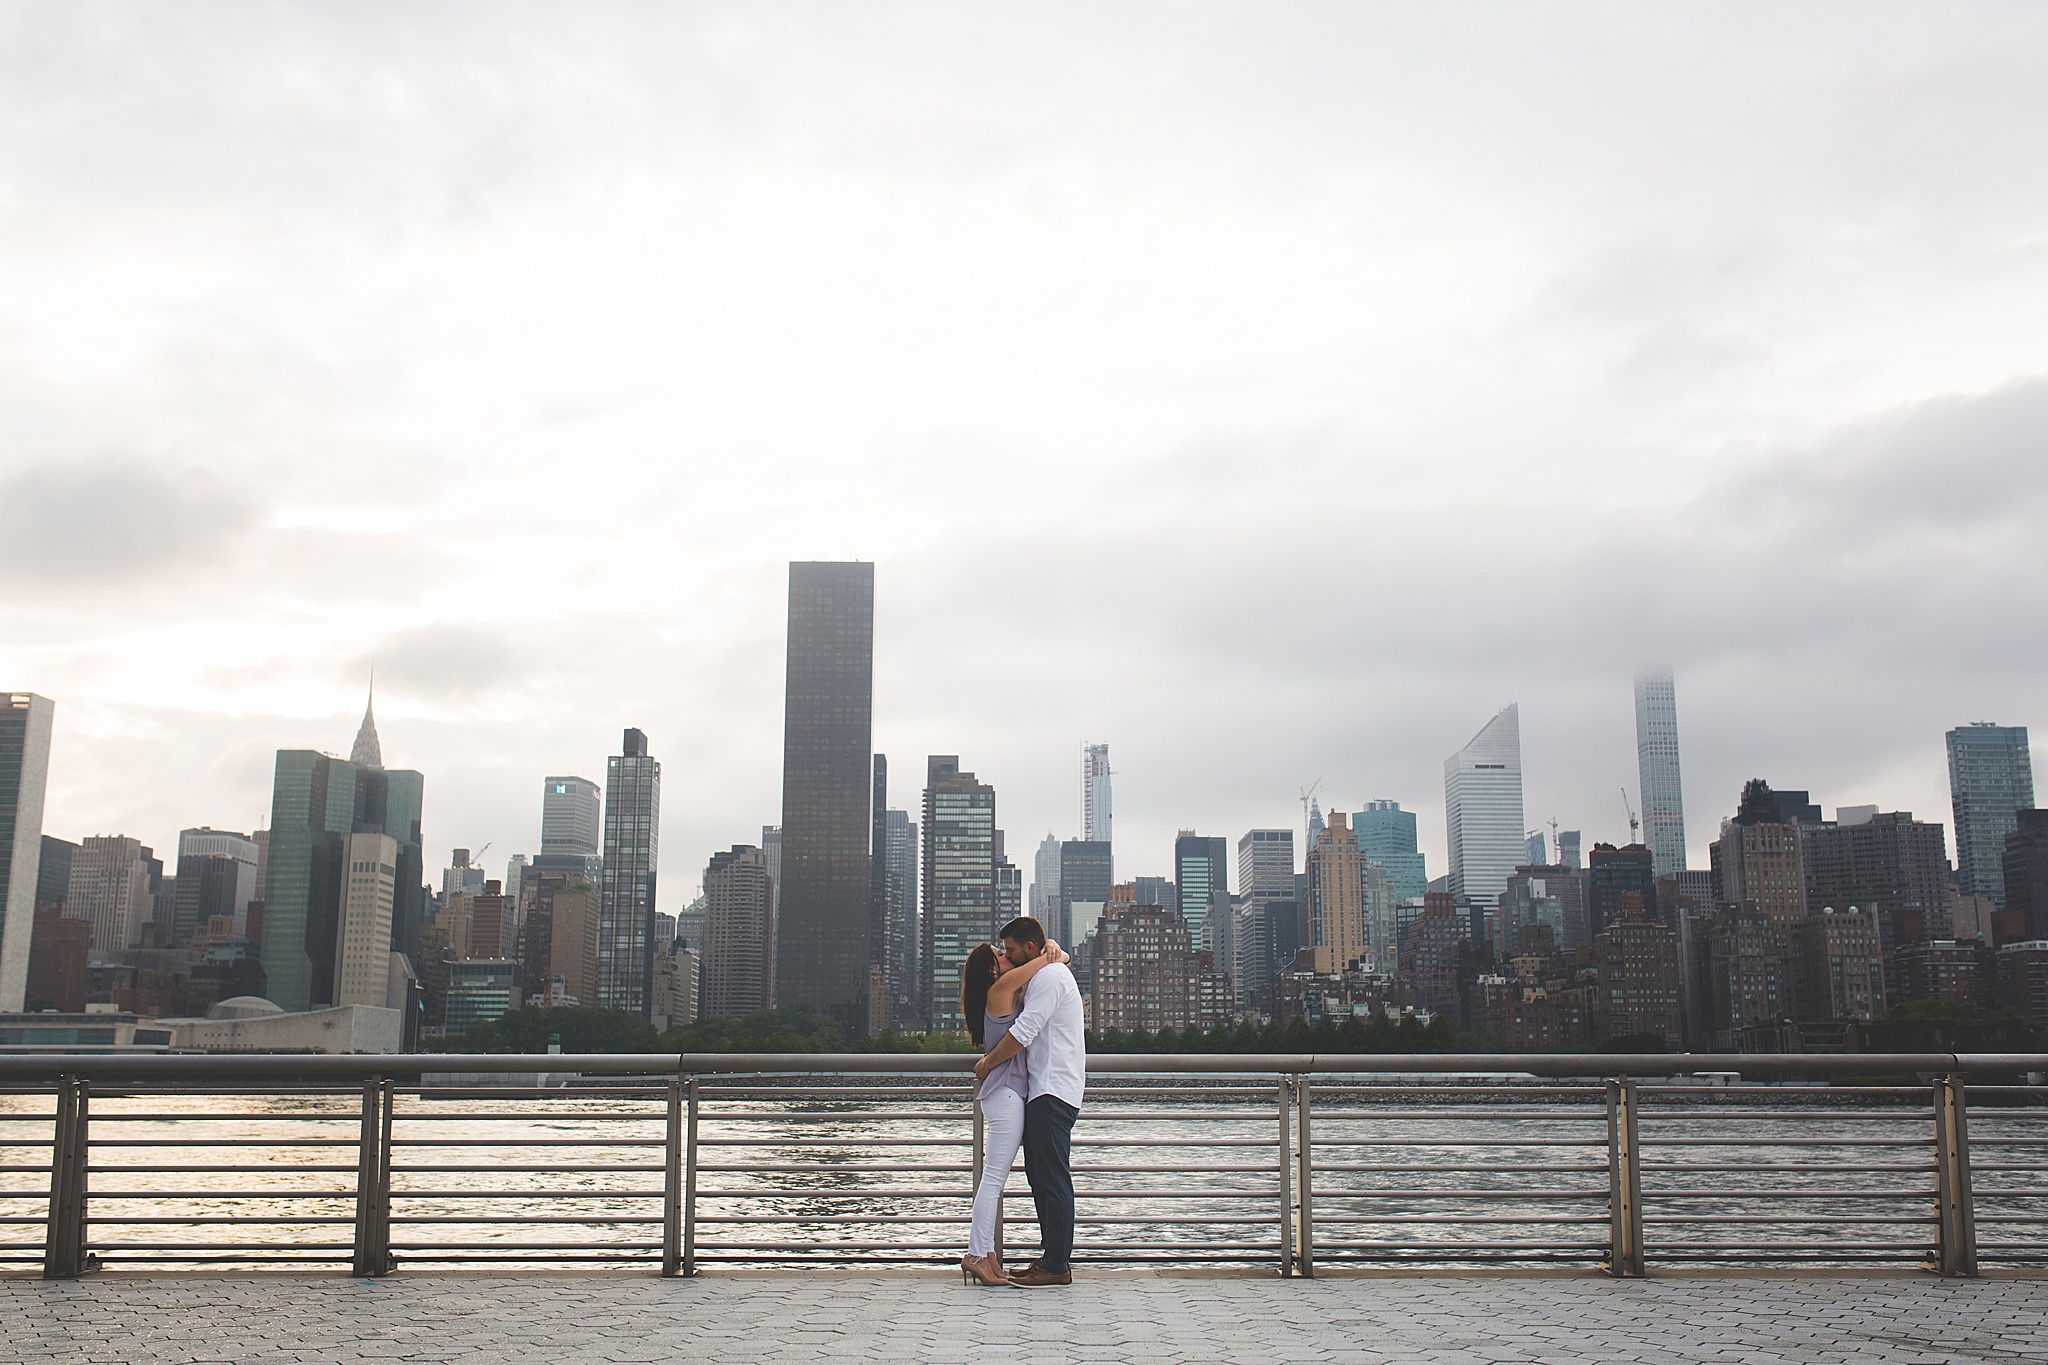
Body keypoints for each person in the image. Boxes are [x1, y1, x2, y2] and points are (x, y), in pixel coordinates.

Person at [973, 915, 1085, 1288]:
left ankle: (1056, 1264)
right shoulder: (1040, 975)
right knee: (1041, 1177)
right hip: (1041, 1090)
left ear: (1030, 949)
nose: (1007, 955)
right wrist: (1058, 952)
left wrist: (988, 1063)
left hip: (1052, 1091)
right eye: (1001, 953)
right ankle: (1051, 1258)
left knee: (1051, 1178)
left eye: (1009, 950)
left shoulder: (1049, 978)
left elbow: (1023, 1032)